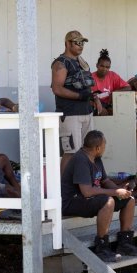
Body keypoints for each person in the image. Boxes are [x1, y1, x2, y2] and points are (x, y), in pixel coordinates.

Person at [61, 130, 137, 262]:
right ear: (98, 148)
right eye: (104, 145)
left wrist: (120, 190)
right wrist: (115, 193)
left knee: (129, 200)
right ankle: (102, 247)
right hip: (72, 202)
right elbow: (87, 191)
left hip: (89, 198)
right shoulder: (80, 159)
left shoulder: (96, 158)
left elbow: (105, 181)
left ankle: (125, 243)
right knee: (109, 202)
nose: (105, 147)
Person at [51, 30, 95, 174]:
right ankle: (64, 189)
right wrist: (79, 96)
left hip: (86, 112)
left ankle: (84, 184)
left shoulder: (81, 62)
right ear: (67, 44)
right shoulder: (60, 63)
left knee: (89, 149)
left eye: (82, 43)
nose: (80, 46)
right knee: (71, 152)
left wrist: (93, 99)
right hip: (70, 114)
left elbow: (87, 87)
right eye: (77, 42)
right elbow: (57, 89)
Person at [91, 49, 131, 116]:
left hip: (109, 105)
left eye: (107, 67)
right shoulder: (90, 77)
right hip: (94, 105)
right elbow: (85, 97)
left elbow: (128, 87)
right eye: (102, 66)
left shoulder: (112, 75)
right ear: (97, 65)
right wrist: (98, 105)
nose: (104, 69)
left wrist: (114, 93)